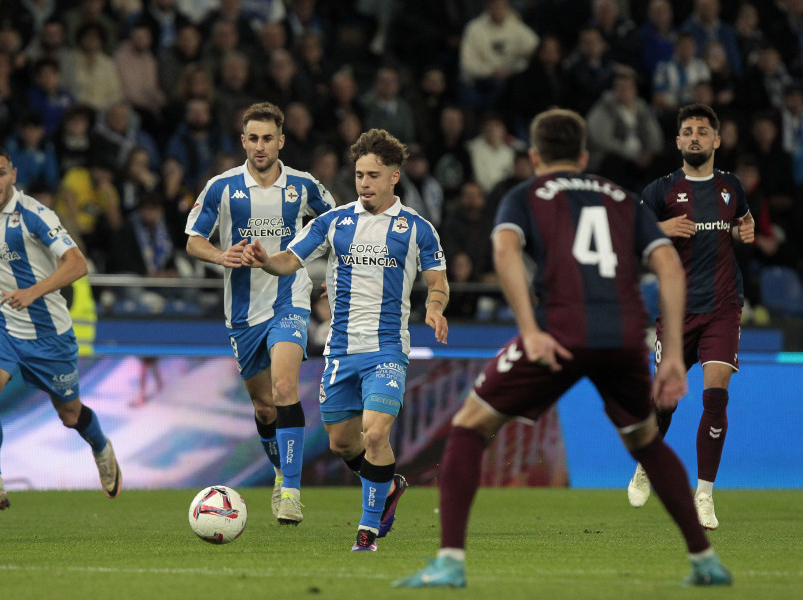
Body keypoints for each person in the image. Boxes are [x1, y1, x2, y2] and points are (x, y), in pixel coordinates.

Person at [394, 109, 731, 588]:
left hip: (559, 332)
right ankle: (705, 561)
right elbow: (669, 267)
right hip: (624, 337)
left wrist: (528, 328)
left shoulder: (525, 194)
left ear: (533, 156)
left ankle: (449, 562)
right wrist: (672, 354)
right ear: (584, 155)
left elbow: (506, 251)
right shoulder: (622, 198)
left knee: (469, 427)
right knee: (645, 441)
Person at [242, 128, 450, 552]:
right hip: (340, 352)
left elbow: (437, 280)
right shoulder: (334, 222)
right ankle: (388, 487)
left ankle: (367, 531)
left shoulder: (417, 229)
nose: (364, 184)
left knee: (375, 434)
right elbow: (290, 259)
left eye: (373, 175)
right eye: (358, 175)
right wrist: (266, 260)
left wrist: (435, 306)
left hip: (388, 350)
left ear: (394, 177)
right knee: (343, 443)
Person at [0, 145, 121, 518]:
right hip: (0, 326)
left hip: (49, 334)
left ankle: (101, 448)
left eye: (0, 172)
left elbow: (78, 264)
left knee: (70, 414)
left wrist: (33, 291)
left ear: (13, 175)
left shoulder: (35, 215)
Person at [185, 102, 335, 525]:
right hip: (243, 312)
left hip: (289, 298)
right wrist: (220, 254)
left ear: (281, 141)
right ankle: (277, 471)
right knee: (264, 407)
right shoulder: (221, 187)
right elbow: (193, 239)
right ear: (243, 141)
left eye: (268, 138)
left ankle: (291, 492)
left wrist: (336, 275)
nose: (260, 145)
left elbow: (342, 225)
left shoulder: (304, 187)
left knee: (286, 386)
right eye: (253, 138)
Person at [627, 103, 755, 530]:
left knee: (716, 395)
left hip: (723, 306)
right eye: (688, 131)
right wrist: (661, 230)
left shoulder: (731, 186)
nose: (695, 136)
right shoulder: (660, 191)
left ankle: (704, 494)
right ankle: (645, 462)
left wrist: (745, 231)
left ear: (717, 140)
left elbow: (743, 221)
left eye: (703, 130)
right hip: (676, 308)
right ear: (678, 141)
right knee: (668, 400)